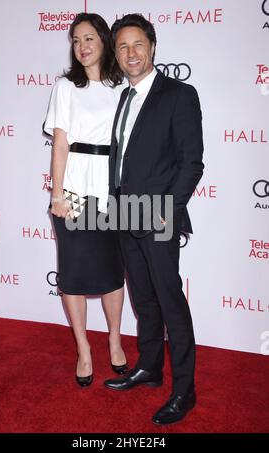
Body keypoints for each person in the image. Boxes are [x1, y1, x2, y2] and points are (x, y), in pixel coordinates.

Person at [104, 14, 204, 425]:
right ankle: (149, 367)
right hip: (124, 215)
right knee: (144, 301)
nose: (130, 53)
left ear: (152, 47)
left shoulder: (179, 94)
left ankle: (184, 390)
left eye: (138, 45)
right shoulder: (124, 97)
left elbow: (191, 163)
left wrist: (167, 210)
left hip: (158, 216)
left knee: (170, 303)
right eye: (123, 47)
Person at [44, 13, 128, 387]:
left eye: (90, 37)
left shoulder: (123, 84)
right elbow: (60, 143)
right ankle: (83, 347)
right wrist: (57, 194)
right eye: (76, 39)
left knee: (113, 272)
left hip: (113, 191)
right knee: (74, 275)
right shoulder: (65, 86)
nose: (83, 46)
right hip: (75, 190)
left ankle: (113, 338)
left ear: (104, 41)